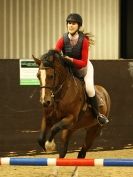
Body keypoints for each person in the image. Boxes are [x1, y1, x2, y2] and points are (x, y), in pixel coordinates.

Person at [55, 13, 109, 125]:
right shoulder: (62, 40)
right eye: (69, 23)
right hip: (70, 70)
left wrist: (70, 59)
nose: (71, 25)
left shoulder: (84, 41)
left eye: (73, 23)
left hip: (84, 69)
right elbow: (55, 54)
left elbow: (83, 63)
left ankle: (98, 115)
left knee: (89, 88)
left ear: (78, 26)